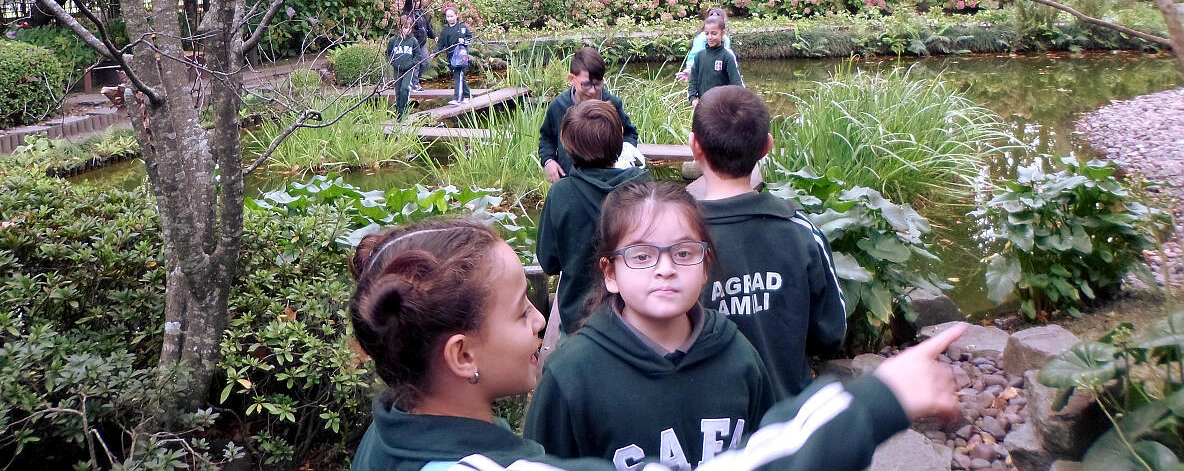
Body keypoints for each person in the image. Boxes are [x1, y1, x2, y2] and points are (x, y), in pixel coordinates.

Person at [348, 216, 966, 471]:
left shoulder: (389, 439)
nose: (540, 321)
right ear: (462, 355)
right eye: (520, 312)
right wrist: (874, 400)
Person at [524, 180, 774, 467]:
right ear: (610, 273)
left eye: (683, 253)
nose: (666, 269)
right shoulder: (570, 377)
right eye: (642, 256)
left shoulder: (739, 358)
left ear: (705, 265)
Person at [692, 86, 845, 398]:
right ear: (767, 146)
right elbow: (831, 333)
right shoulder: (801, 231)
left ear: (695, 146)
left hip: (708, 419)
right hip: (787, 411)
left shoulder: (676, 242)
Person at [537, 101, 648, 337]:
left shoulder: (560, 194)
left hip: (579, 321)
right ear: (619, 141)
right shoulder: (644, 189)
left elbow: (548, 262)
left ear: (567, 146)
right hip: (637, 316)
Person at [538, 47, 638, 184]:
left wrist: (624, 157)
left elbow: (629, 134)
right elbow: (547, 138)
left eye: (597, 84)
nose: (592, 91)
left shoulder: (612, 104)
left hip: (606, 182)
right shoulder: (557, 106)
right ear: (572, 79)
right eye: (586, 84)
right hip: (569, 181)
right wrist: (548, 161)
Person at [687, 15, 743, 106]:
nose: (709, 37)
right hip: (703, 106)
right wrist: (693, 98)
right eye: (706, 33)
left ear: (723, 33)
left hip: (722, 107)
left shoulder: (727, 57)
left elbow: (736, 83)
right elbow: (693, 81)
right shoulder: (699, 56)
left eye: (714, 33)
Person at [676, 8, 735, 82]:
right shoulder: (701, 38)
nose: (710, 37)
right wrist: (689, 71)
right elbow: (694, 56)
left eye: (714, 33)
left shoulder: (726, 40)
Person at [437, 6, 473, 105]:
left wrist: (464, 41)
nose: (450, 18)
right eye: (448, 16)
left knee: (458, 75)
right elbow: (440, 43)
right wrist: (435, 53)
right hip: (451, 57)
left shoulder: (462, 27)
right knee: (459, 76)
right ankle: (467, 95)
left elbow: (470, 38)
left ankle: (457, 98)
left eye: (452, 16)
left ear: (456, 15)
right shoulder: (445, 30)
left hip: (461, 57)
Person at [388, 15, 421, 120]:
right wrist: (393, 63)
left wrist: (411, 64)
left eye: (409, 28)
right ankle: (399, 113)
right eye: (405, 27)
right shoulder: (393, 40)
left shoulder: (413, 41)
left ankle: (405, 109)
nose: (406, 30)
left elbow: (417, 56)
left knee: (405, 88)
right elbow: (388, 53)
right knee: (398, 91)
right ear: (400, 27)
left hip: (409, 69)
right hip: (397, 69)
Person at [403, 0, 434, 92]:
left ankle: (414, 80)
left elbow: (427, 26)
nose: (417, 3)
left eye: (418, 1)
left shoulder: (420, 12)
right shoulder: (407, 15)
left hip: (422, 43)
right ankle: (415, 84)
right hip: (413, 44)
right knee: (415, 64)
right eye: (414, 1)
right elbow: (405, 29)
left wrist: (433, 36)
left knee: (425, 62)